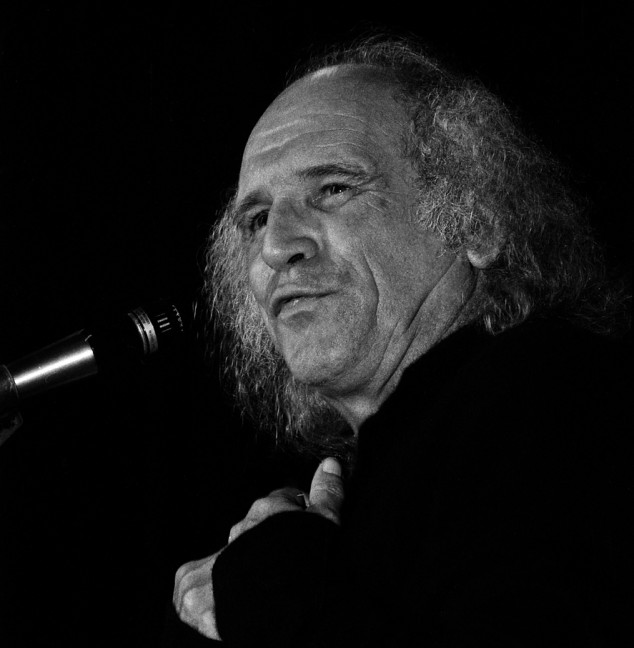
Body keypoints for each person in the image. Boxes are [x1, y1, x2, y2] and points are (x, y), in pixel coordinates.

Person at [172, 37, 631, 646]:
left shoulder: (556, 396)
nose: (277, 246)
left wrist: (273, 585)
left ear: (475, 219)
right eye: (256, 220)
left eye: (333, 188)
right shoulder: (388, 468)